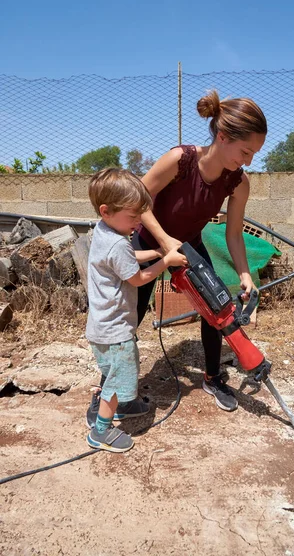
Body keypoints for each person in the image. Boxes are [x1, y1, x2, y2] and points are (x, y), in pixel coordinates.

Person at [131, 89, 267, 412]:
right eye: (245, 151)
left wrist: (245, 274)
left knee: (216, 304)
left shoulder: (238, 182)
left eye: (254, 154)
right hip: (150, 241)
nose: (247, 161)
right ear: (222, 137)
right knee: (130, 314)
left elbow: (233, 234)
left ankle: (212, 376)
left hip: (190, 245)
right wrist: (164, 242)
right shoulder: (180, 160)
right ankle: (112, 386)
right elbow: (137, 199)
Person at [85, 167, 187, 452]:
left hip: (101, 327)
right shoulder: (118, 243)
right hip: (116, 331)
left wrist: (156, 252)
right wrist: (166, 261)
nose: (136, 223)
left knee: (115, 374)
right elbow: (138, 277)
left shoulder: (103, 232)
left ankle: (122, 407)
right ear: (106, 210)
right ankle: (100, 433)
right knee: (118, 380)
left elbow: (126, 258)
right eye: (132, 217)